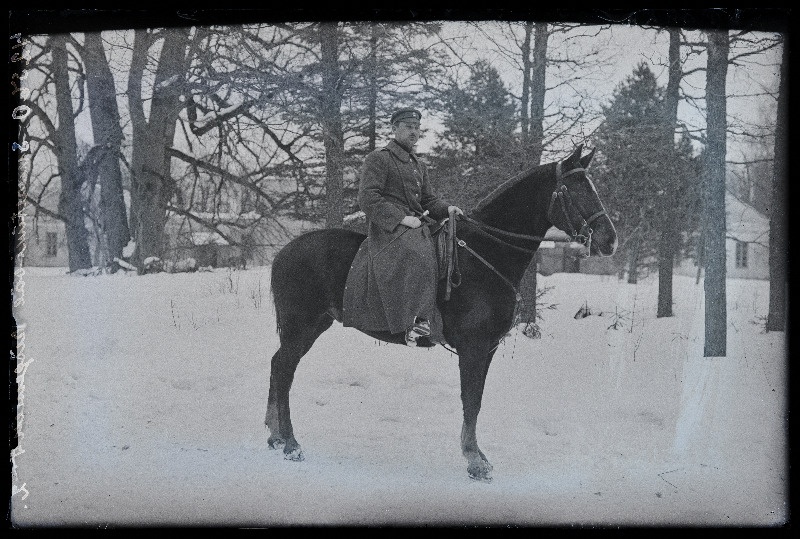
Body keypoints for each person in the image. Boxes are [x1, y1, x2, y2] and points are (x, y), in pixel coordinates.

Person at [343, 108, 463, 346]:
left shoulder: (418, 164)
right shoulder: (380, 158)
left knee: (449, 245)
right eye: (408, 127)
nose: (414, 132)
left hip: (418, 224)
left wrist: (448, 208)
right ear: (394, 129)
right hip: (389, 230)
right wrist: (400, 219)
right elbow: (368, 198)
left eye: (417, 127)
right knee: (419, 255)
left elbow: (428, 200)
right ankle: (416, 327)